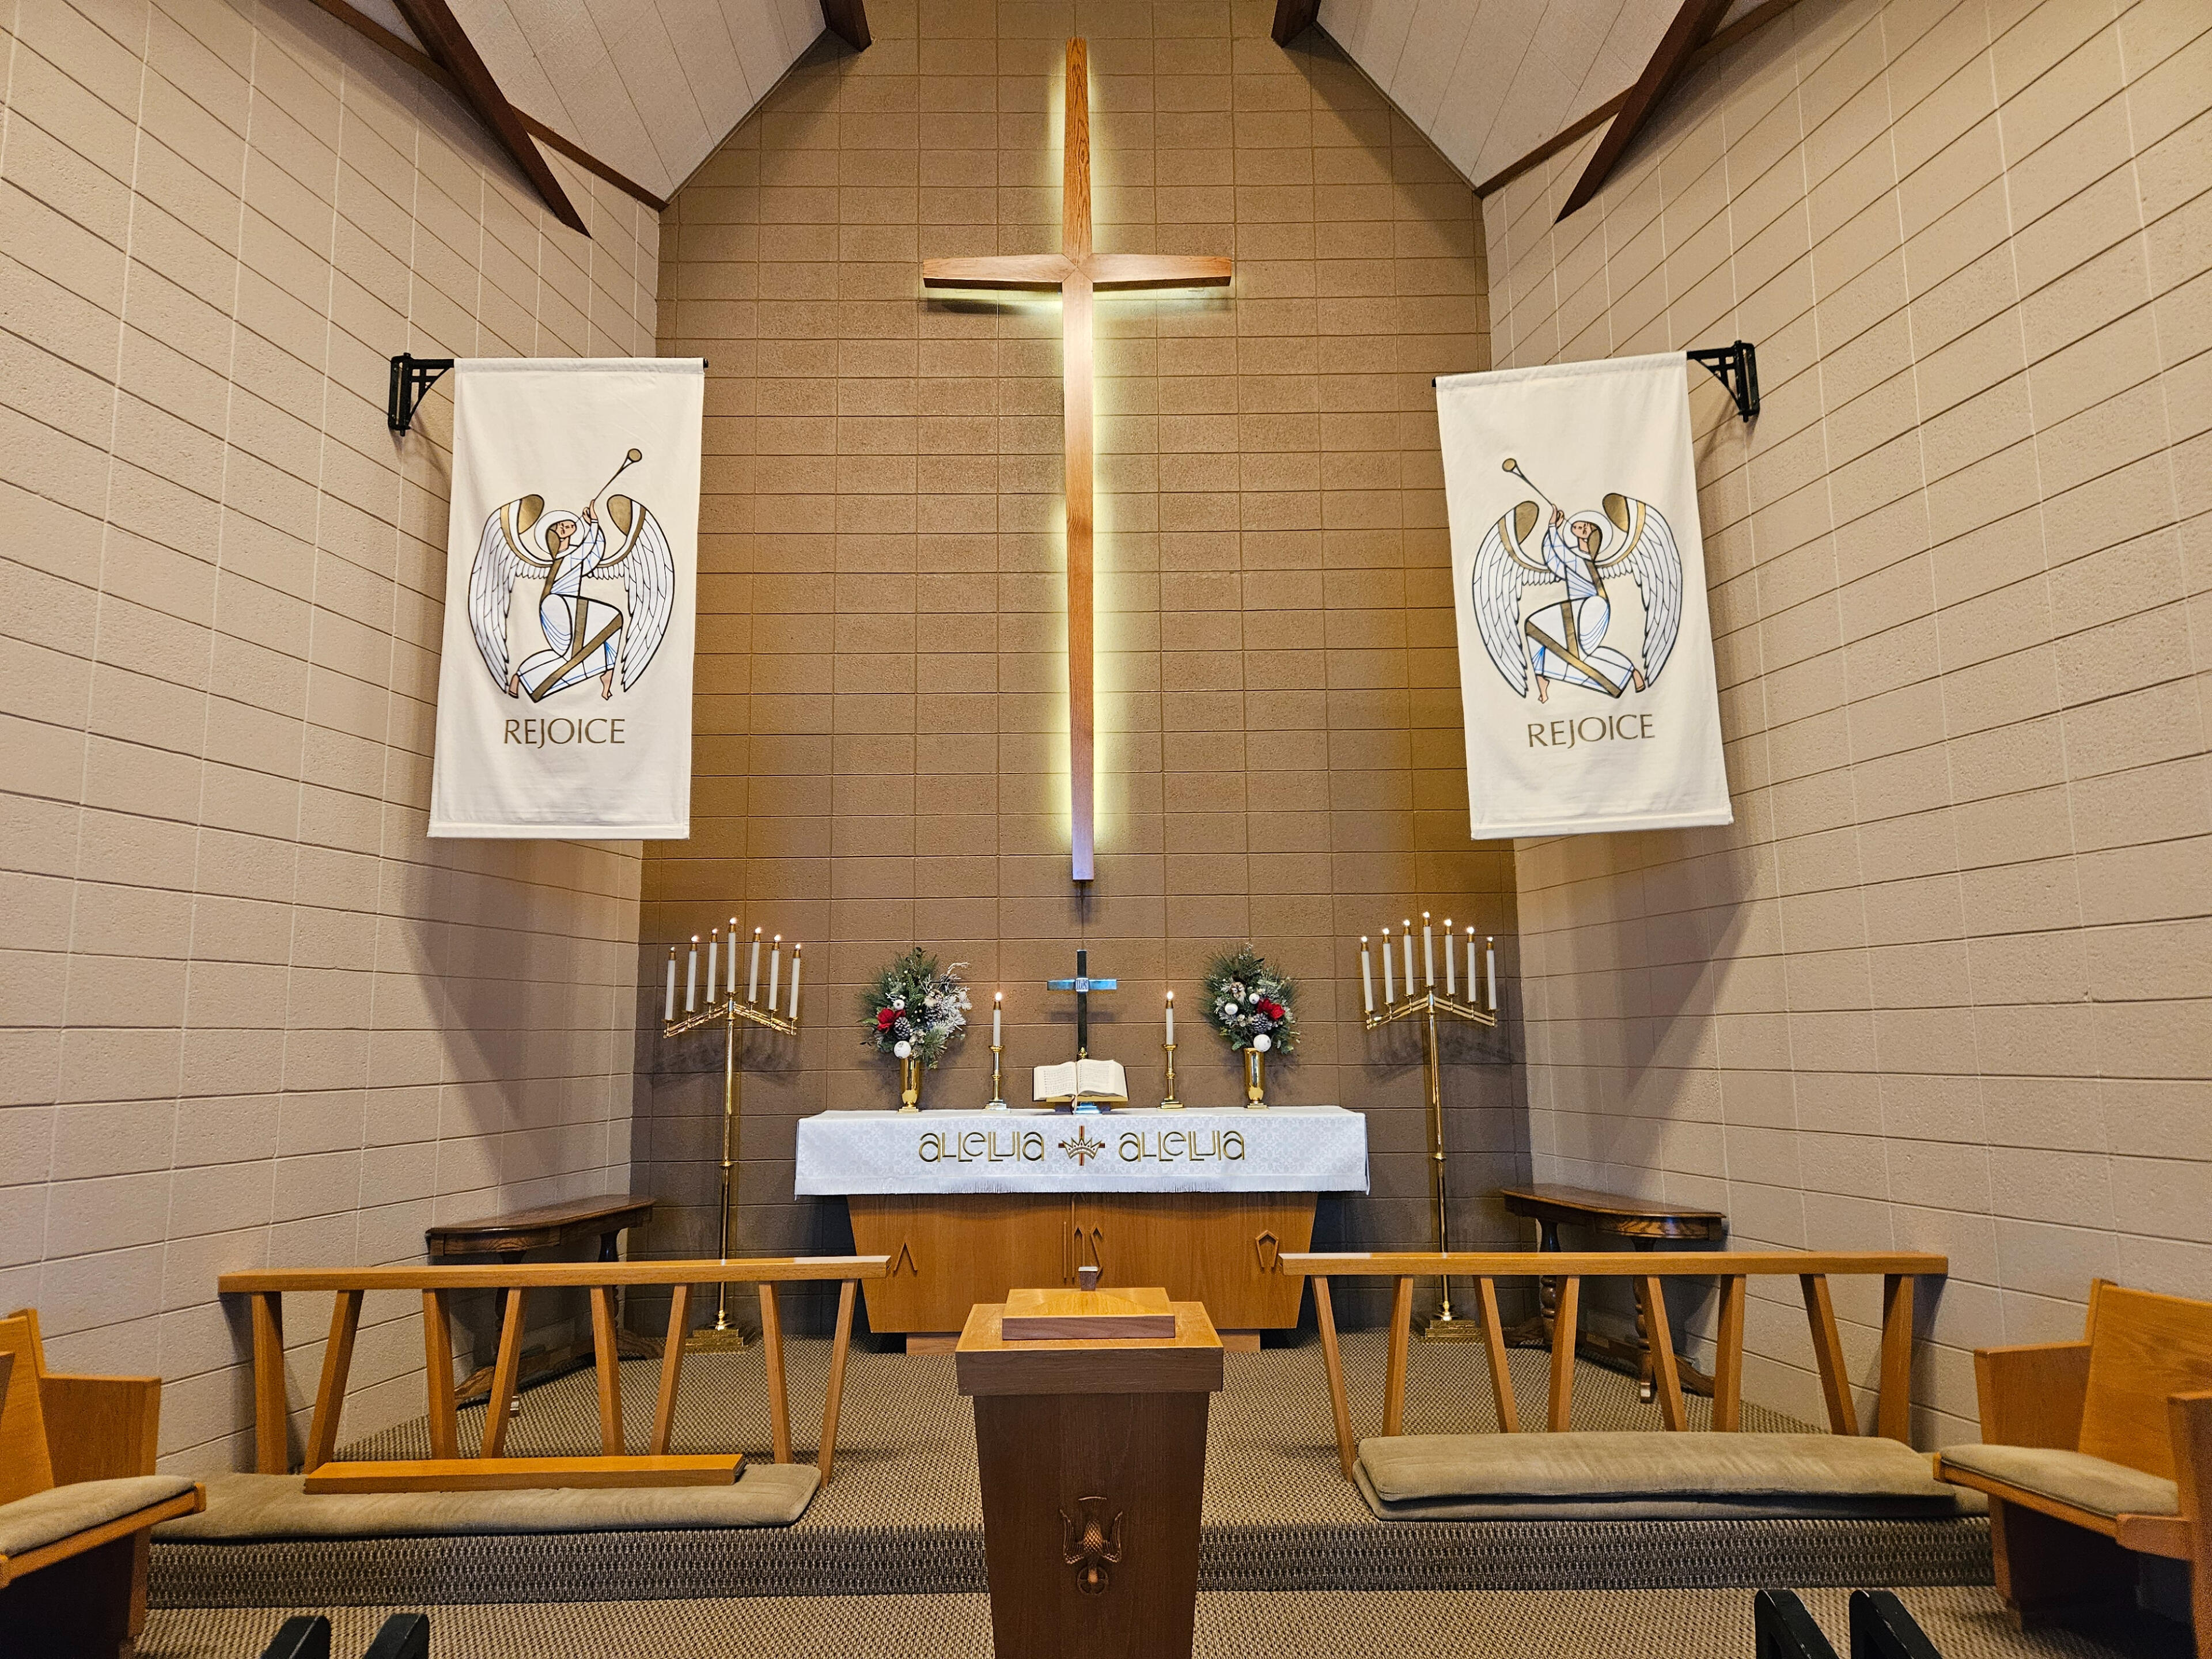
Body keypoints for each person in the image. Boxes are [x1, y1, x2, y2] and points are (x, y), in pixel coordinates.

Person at [1527, 506, 1645, 702]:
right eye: (1582, 524)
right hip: (1581, 608)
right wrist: (1552, 530)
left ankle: (1630, 671)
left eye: (1588, 528)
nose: (1583, 527)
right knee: (1581, 652)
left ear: (1592, 539)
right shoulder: (1575, 558)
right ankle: (1542, 681)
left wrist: (1552, 527)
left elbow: (1562, 555)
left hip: (1592, 607)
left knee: (1539, 625)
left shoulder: (1583, 559)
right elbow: (1552, 559)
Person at [510, 501, 623, 701]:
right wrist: (594, 523)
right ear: (554, 536)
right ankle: (608, 669)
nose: (563, 526)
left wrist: (594, 525)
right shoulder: (565, 558)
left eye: (564, 523)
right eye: (558, 527)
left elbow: (595, 554)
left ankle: (521, 677)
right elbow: (586, 549)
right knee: (613, 617)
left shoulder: (573, 558)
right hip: (559, 604)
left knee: (566, 655)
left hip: (563, 606)